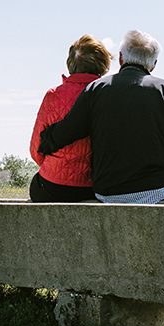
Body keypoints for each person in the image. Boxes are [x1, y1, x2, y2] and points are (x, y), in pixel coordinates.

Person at [38, 29, 164, 204]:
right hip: (157, 190)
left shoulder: (96, 89)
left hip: (107, 192)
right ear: (154, 64)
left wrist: (45, 142)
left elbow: (70, 129)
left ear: (120, 58)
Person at [28, 35, 111, 202]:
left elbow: (36, 148)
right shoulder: (109, 95)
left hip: (52, 185)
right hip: (94, 187)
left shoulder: (53, 95)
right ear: (102, 64)